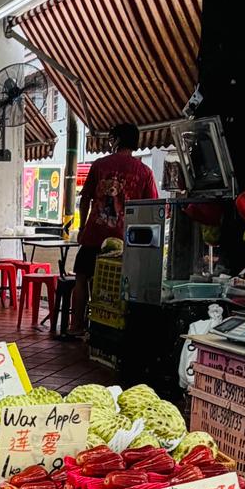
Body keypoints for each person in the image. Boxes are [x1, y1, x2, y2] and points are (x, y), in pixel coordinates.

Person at [68, 122, 158, 336]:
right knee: (119, 285)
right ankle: (111, 330)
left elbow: (85, 199)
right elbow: (152, 207)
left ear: (116, 140)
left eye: (111, 138)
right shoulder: (144, 171)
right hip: (125, 241)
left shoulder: (100, 165)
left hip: (94, 236)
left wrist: (81, 227)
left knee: (81, 278)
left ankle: (77, 326)